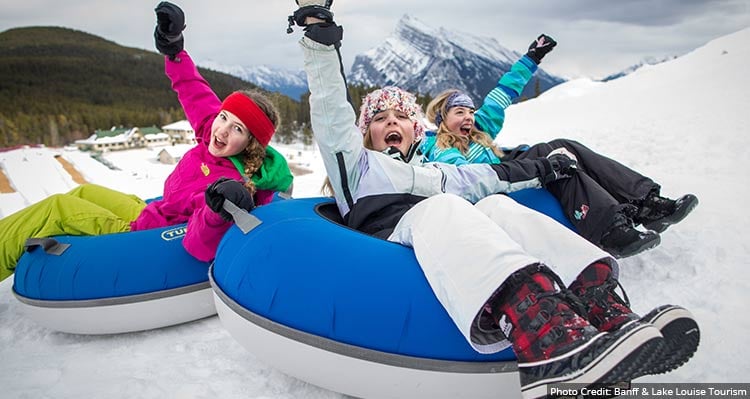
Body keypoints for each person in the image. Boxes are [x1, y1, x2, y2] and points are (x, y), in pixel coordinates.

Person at [288, 2, 698, 398]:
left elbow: (489, 178)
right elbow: (329, 110)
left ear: (417, 131)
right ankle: (543, 343)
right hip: (385, 246)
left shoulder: (437, 172)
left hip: (446, 235)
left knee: (495, 206)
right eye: (379, 118)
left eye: (400, 117)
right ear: (366, 133)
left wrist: (544, 168)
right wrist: (319, 37)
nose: (390, 122)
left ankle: (601, 307)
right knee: (445, 206)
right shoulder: (357, 166)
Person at [0, 1, 293, 281]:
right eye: (224, 116)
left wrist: (219, 209)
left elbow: (199, 246)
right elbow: (193, 89)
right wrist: (174, 47)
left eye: (237, 128)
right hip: (155, 210)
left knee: (58, 207)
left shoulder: (232, 184)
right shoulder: (214, 133)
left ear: (251, 143)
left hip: (146, 233)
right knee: (85, 193)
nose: (223, 129)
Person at [421, 37, 698, 258]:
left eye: (470, 111)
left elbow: (504, 92)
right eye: (459, 112)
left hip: (512, 164)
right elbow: (467, 180)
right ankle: (609, 230)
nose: (468, 117)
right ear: (441, 119)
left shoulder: (479, 128)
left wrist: (532, 58)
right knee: (554, 159)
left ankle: (646, 204)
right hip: (497, 184)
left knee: (563, 147)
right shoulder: (441, 150)